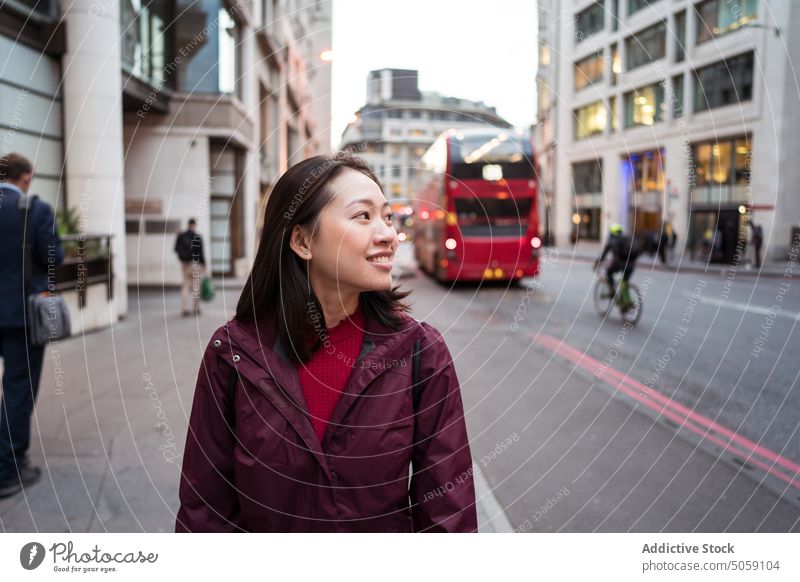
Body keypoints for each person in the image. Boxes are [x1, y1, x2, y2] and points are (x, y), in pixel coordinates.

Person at [175, 154, 477, 532]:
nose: (386, 234)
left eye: (386, 216)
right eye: (363, 216)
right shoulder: (234, 355)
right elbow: (205, 510)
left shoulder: (421, 353)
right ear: (302, 241)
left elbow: (448, 513)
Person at [0, 153, 63, 499]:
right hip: (19, 314)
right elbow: (54, 257)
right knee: (18, 387)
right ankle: (9, 468)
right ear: (25, 178)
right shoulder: (34, 210)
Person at [593, 223, 640, 301]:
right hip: (631, 265)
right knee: (625, 282)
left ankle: (612, 291)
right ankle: (626, 301)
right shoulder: (628, 238)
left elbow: (603, 255)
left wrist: (597, 263)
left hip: (619, 264)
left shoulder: (612, 241)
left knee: (609, 272)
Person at [174, 218, 206, 316]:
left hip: (185, 264)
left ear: (188, 225)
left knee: (185, 286)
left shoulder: (181, 236)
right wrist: (204, 265)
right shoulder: (198, 237)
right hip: (196, 265)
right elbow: (201, 253)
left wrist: (183, 259)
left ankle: (185, 308)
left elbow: (175, 249)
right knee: (196, 287)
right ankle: (195, 308)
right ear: (194, 225)